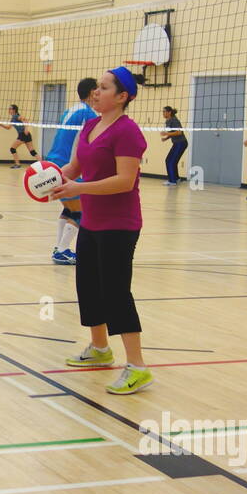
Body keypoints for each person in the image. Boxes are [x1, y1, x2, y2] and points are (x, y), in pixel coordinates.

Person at [48, 67, 152, 395]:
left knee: (116, 293)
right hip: (91, 221)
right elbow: (75, 167)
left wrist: (78, 189)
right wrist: (47, 179)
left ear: (122, 97)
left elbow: (124, 181)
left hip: (119, 224)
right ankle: (100, 349)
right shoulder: (90, 124)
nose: (96, 92)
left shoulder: (128, 132)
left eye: (104, 88)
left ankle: (137, 367)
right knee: (88, 286)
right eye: (97, 87)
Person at [45, 78, 99, 265]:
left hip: (54, 163)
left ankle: (59, 247)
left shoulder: (70, 110)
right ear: (92, 92)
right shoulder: (89, 114)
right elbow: (91, 144)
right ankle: (62, 250)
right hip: (69, 166)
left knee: (69, 209)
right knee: (81, 211)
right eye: (99, 89)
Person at [160, 106, 188, 186]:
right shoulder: (168, 121)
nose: (163, 113)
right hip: (177, 143)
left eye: (165, 111)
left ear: (169, 112)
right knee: (170, 161)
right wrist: (166, 138)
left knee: (170, 161)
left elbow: (179, 132)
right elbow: (173, 132)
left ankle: (172, 181)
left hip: (181, 143)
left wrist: (167, 134)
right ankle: (176, 178)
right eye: (163, 111)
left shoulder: (174, 120)